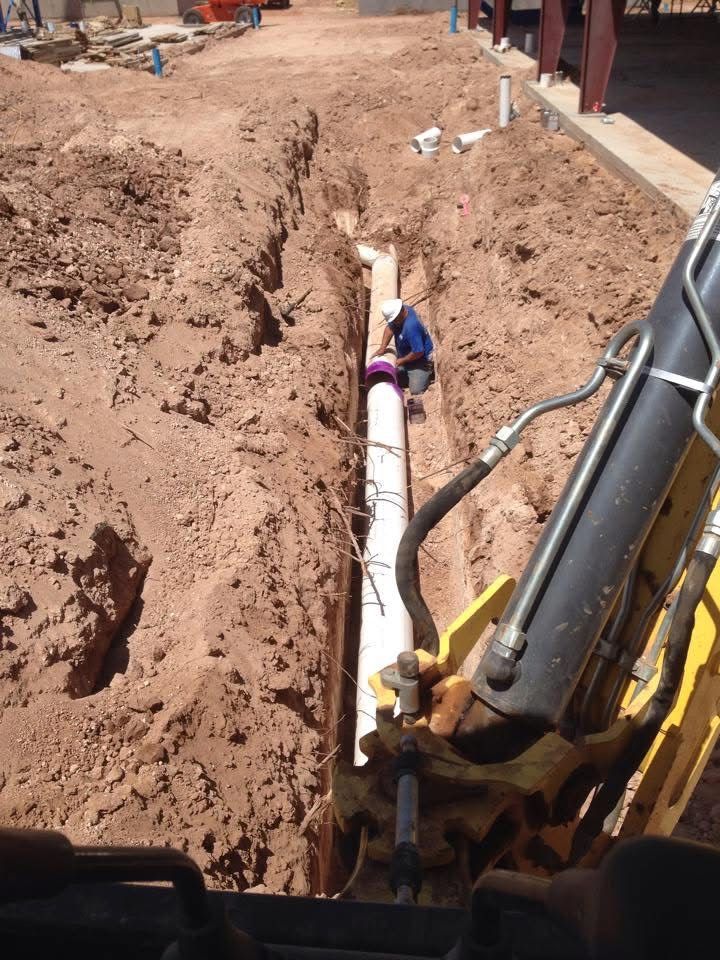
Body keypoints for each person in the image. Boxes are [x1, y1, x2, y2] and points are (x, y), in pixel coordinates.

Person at [370, 298, 434, 395]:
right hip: (407, 355)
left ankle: (427, 374)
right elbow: (389, 328)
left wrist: (402, 361)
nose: (393, 322)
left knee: (416, 390)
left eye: (394, 320)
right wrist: (383, 347)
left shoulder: (411, 326)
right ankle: (406, 374)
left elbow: (418, 352)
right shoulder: (401, 312)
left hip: (420, 361)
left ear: (400, 313)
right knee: (386, 375)